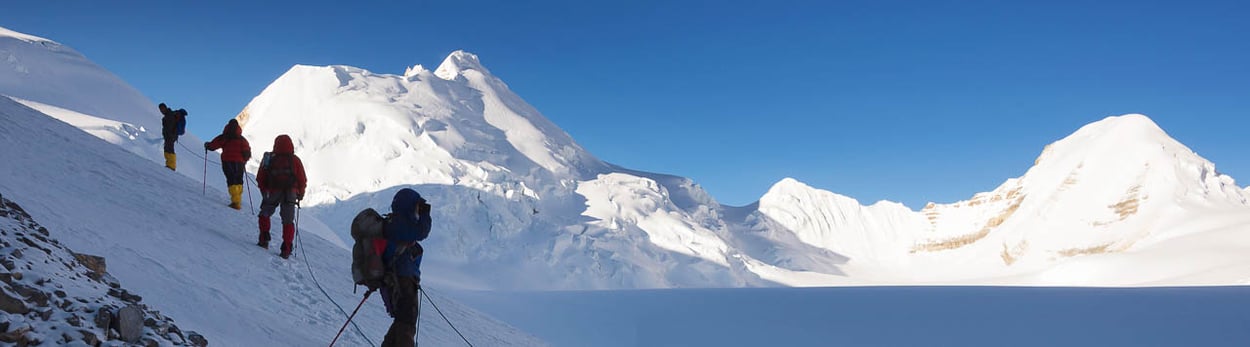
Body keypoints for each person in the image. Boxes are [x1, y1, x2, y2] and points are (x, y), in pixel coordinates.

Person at [380, 188, 431, 347]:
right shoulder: (400, 225)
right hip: (402, 279)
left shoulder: (395, 223)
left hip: (400, 278)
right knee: (407, 321)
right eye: (416, 206)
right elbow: (422, 232)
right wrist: (425, 214)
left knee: (403, 320)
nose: (418, 209)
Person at [255, 135, 307, 258]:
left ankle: (264, 239)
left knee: (265, 214)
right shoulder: (295, 160)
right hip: (290, 192)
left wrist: (264, 191)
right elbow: (302, 179)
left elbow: (260, 176)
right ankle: (286, 248)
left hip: (272, 190)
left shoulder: (269, 158)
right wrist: (300, 194)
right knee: (288, 221)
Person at [204, 119, 252, 209]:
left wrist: (208, 145)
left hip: (227, 161)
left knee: (231, 179)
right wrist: (245, 159)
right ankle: (237, 199)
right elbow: (247, 152)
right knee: (239, 180)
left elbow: (214, 145)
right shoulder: (242, 139)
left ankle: (235, 202)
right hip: (239, 162)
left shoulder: (224, 137)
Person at [158, 103, 186, 170]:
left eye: (162, 109)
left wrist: (170, 135)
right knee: (167, 149)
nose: (161, 111)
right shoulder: (168, 115)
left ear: (165, 107)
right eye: (160, 110)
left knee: (169, 149)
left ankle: (171, 166)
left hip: (171, 136)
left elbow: (170, 127)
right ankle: (169, 165)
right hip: (170, 136)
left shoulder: (169, 115)